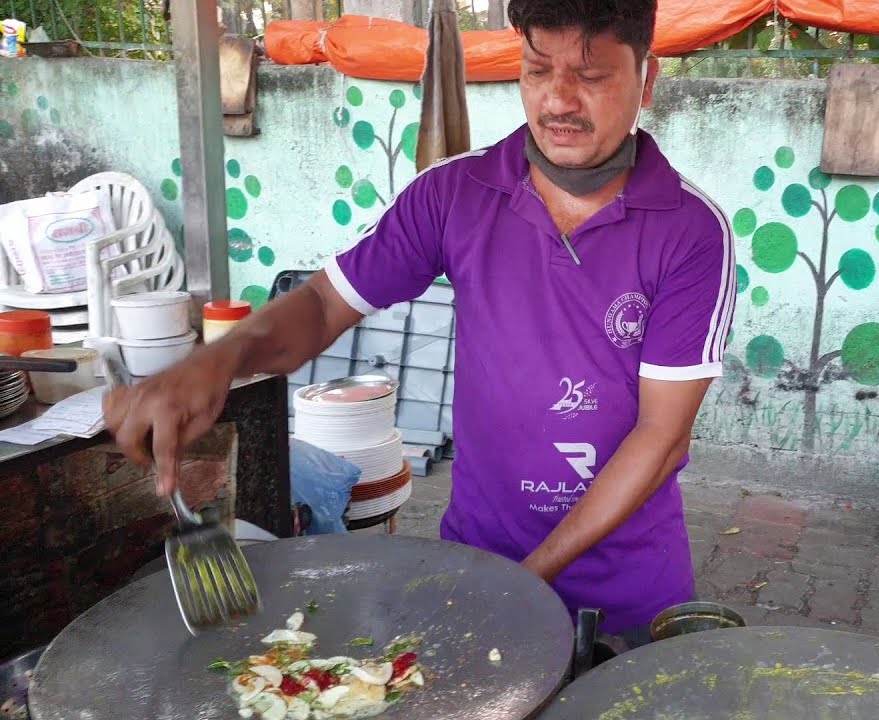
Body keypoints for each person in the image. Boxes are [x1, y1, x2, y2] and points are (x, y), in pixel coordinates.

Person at [103, 0, 735, 646]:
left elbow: (662, 439)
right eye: (537, 69)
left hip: (626, 601)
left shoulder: (690, 230)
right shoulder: (454, 194)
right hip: (478, 567)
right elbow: (323, 305)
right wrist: (221, 359)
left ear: (646, 80)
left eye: (592, 76)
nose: (558, 101)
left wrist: (529, 580)